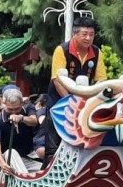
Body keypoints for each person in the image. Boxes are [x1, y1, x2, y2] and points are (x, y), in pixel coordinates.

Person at [45, 17, 107, 152]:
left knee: (81, 138)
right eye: (84, 34)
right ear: (75, 34)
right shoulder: (62, 50)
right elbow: (57, 80)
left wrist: (92, 101)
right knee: (54, 138)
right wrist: (70, 102)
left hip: (83, 100)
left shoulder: (97, 52)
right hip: (59, 99)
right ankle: (49, 163)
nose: (88, 38)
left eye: (91, 34)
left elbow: (101, 79)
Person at [0, 87, 41, 174]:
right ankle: (23, 182)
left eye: (17, 108)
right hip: (7, 157)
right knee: (12, 152)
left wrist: (21, 118)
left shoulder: (28, 108)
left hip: (27, 157)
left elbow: (34, 121)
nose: (14, 112)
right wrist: (2, 164)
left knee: (42, 170)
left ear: (22, 103)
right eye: (10, 109)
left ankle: (25, 176)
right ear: (4, 104)